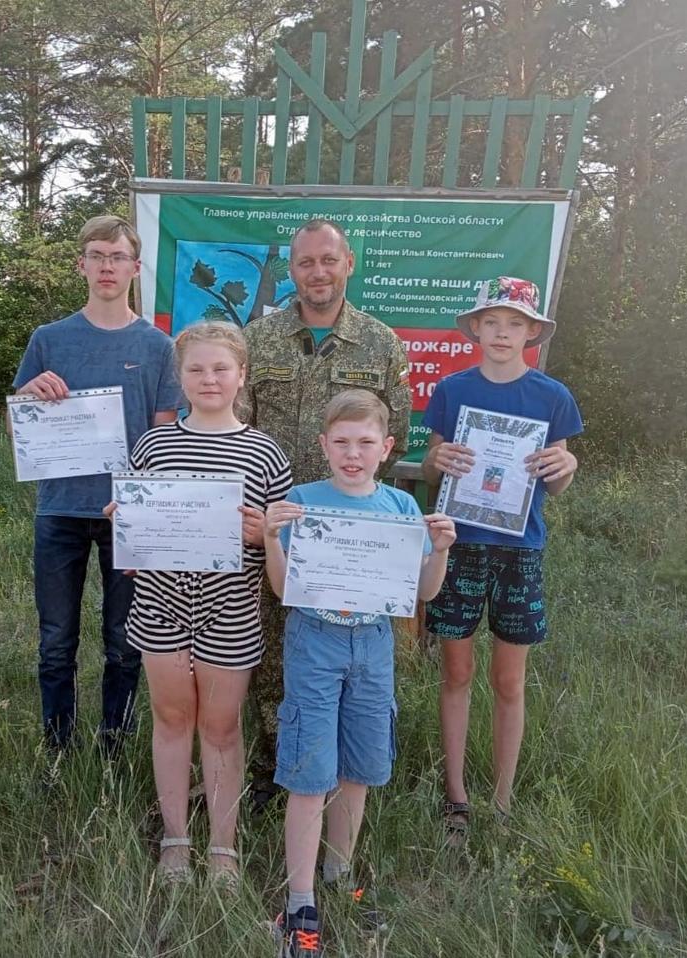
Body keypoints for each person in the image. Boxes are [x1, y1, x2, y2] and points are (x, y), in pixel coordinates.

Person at [263, 389, 455, 958]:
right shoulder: (301, 500)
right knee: (309, 770)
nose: (353, 453)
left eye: (365, 443)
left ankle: (338, 878)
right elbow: (281, 587)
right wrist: (273, 537)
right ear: (323, 445)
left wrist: (440, 549)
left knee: (360, 767)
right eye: (341, 442)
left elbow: (422, 593)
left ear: (387, 448)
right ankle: (300, 900)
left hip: (373, 646)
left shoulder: (400, 509)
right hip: (314, 641)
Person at [112, 321, 291, 886]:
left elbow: (282, 549)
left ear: (242, 376)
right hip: (160, 604)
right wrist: (128, 530)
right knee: (170, 720)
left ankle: (222, 847)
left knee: (219, 728)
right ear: (179, 376)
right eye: (196, 369)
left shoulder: (266, 454)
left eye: (220, 368)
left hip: (230, 610)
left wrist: (264, 533)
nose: (208, 379)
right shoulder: (153, 445)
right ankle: (174, 839)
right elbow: (136, 540)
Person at [243, 218, 412, 810]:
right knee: (270, 651)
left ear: (349, 265)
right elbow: (239, 429)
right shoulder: (257, 340)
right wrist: (259, 520)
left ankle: (342, 774)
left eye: (328, 260)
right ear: (291, 270)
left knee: (345, 655)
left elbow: (395, 436)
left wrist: (354, 522)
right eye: (305, 262)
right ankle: (274, 769)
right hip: (275, 527)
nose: (317, 272)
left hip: (348, 537)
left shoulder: (381, 343)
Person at [420, 276, 583, 843]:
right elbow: (432, 466)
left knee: (509, 680)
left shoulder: (552, 397)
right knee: (456, 671)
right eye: (492, 322)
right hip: (459, 543)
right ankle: (457, 795)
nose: (502, 333)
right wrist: (437, 456)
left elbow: (557, 478)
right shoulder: (452, 389)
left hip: (520, 549)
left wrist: (567, 469)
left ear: (532, 333)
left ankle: (504, 798)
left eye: (515, 324)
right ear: (476, 329)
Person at [12, 214, 181, 756]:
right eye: (97, 256)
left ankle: (114, 746)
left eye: (117, 257)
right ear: (80, 264)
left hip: (126, 513)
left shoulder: (158, 346)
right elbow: (16, 425)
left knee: (124, 644)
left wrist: (149, 507)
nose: (107, 267)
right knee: (56, 642)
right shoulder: (48, 339)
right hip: (59, 510)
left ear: (135, 267)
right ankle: (57, 749)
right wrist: (26, 396)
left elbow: (165, 435)